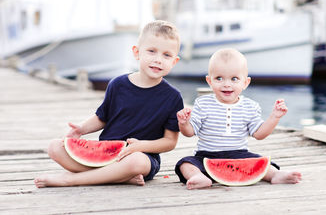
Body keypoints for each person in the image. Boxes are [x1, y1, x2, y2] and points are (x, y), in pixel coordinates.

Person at [34, 20, 184, 188]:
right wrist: (81, 129)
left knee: (137, 162)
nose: (158, 59)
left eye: (166, 55)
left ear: (174, 61)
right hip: (104, 149)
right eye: (151, 51)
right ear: (136, 52)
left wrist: (140, 146)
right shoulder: (118, 84)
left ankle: (70, 179)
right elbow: (102, 117)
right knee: (54, 147)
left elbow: (170, 141)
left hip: (142, 156)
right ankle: (118, 176)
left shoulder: (173, 97)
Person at [175, 48, 302, 189]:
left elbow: (259, 134)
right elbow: (190, 132)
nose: (227, 84)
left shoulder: (250, 106)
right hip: (206, 156)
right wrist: (184, 123)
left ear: (245, 83)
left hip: (240, 154)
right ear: (209, 81)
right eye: (219, 78)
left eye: (234, 79)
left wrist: (274, 117)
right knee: (185, 163)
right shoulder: (202, 103)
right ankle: (197, 176)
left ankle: (275, 175)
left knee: (261, 162)